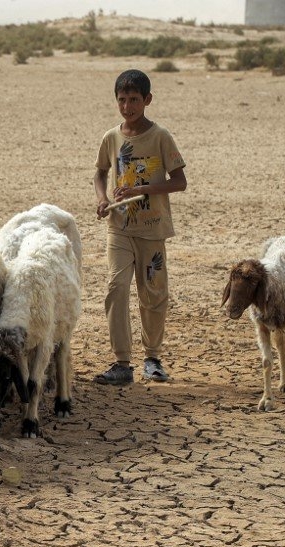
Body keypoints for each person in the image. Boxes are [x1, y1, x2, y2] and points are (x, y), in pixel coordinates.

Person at [93, 69, 187, 386]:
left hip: (152, 230)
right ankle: (122, 363)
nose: (127, 106)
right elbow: (100, 173)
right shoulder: (111, 137)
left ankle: (153, 358)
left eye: (134, 100)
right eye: (122, 100)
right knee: (116, 288)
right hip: (119, 229)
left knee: (153, 295)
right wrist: (103, 199)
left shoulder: (160, 136)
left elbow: (180, 182)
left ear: (147, 100)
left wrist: (142, 189)